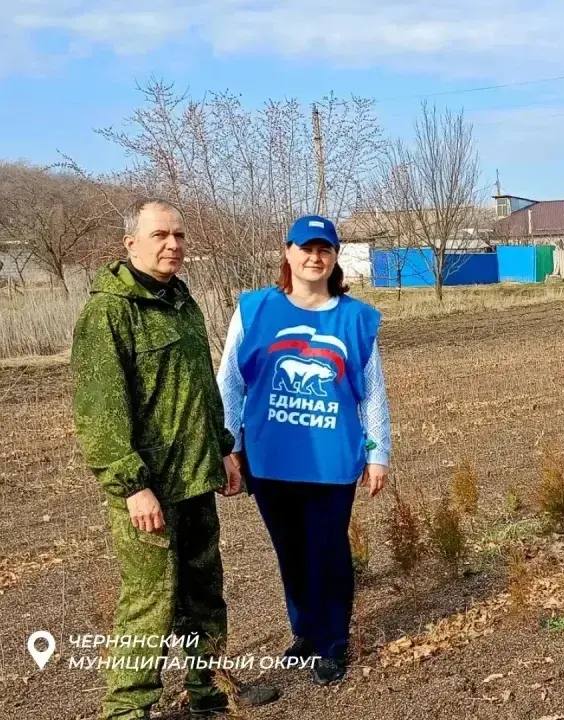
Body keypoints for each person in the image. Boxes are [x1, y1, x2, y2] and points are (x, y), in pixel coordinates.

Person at [71, 198, 280, 719]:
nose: (173, 245)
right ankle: (127, 709)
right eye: (161, 234)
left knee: (204, 594)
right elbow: (100, 412)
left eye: (180, 236)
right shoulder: (109, 313)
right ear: (131, 243)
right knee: (150, 605)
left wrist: (224, 450)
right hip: (149, 490)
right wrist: (131, 485)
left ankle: (209, 690)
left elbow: (202, 390)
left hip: (195, 477)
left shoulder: (181, 300)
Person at [216, 213, 390, 686]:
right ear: (288, 252)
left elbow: (372, 392)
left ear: (334, 258)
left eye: (325, 249)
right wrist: (228, 446)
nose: (315, 257)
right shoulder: (254, 309)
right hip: (271, 459)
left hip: (332, 461)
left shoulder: (356, 318)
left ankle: (333, 642)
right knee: (290, 552)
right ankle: (306, 634)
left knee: (328, 552)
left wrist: (378, 453)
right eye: (306, 247)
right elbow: (229, 383)